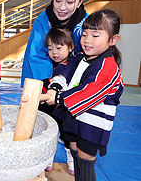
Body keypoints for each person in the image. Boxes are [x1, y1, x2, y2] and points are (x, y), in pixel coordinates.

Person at [45, 9, 124, 181]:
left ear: (113, 40)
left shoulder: (109, 68)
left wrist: (59, 97)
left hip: (92, 124)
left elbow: (90, 91)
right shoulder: (80, 58)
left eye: (95, 36)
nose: (87, 40)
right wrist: (56, 86)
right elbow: (64, 70)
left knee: (85, 162)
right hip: (74, 116)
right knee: (75, 154)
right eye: (84, 34)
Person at [21, 0, 88, 87]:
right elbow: (37, 54)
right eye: (58, 0)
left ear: (80, 2)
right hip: (43, 78)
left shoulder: (85, 24)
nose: (62, 7)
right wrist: (48, 83)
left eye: (69, 2)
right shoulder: (43, 20)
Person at [39, 28, 75, 175]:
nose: (54, 52)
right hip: (51, 105)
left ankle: (71, 159)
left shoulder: (74, 64)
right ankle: (49, 157)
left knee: (68, 134)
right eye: (50, 49)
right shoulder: (47, 65)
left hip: (66, 107)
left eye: (59, 48)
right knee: (50, 131)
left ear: (70, 47)